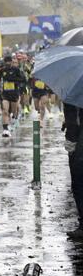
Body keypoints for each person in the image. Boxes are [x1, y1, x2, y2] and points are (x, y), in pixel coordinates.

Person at [64, 103, 83, 240]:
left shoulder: (74, 90)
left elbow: (72, 118)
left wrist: (70, 141)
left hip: (79, 142)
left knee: (78, 183)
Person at [0, 56, 25, 137]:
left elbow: (22, 79)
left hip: (14, 93)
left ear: (11, 62)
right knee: (5, 111)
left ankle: (14, 118)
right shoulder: (2, 70)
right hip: (5, 94)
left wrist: (12, 79)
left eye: (9, 62)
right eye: (6, 62)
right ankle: (5, 129)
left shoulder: (16, 69)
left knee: (13, 111)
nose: (7, 63)